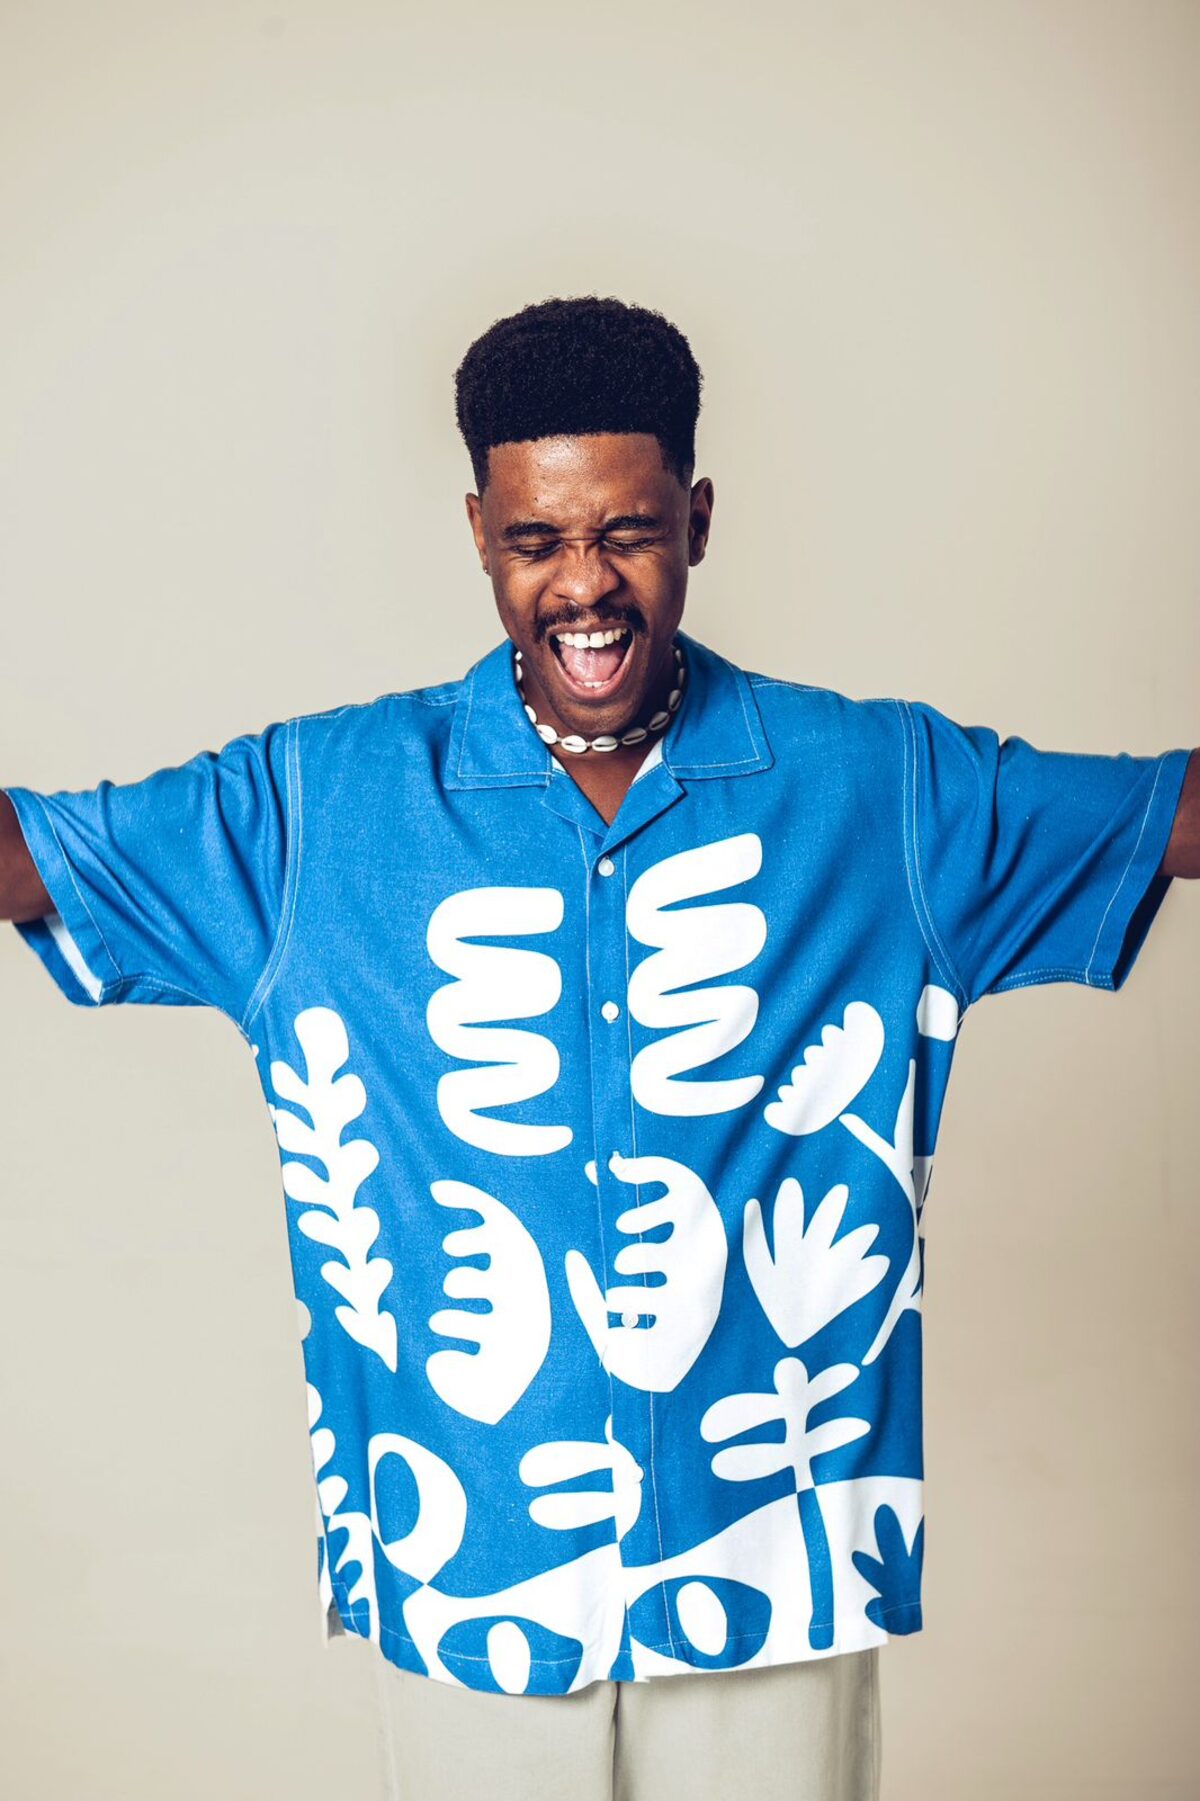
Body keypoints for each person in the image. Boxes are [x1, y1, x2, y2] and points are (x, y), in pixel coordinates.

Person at [1, 295, 1196, 1801]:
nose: (584, 584)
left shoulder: (881, 792)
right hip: (469, 1570)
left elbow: (1161, 815)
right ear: (478, 534)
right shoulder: (317, 808)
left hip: (775, 1559)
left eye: (628, 532)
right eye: (535, 541)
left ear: (697, 518)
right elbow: (34, 862)